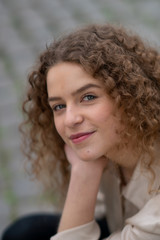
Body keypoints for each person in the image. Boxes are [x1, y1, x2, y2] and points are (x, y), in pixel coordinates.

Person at [2, 23, 160, 240]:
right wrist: (86, 168)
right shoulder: (109, 145)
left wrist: (83, 173)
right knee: (25, 233)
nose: (70, 120)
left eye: (88, 97)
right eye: (59, 106)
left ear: (129, 95)